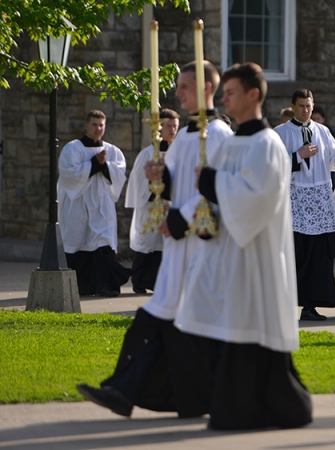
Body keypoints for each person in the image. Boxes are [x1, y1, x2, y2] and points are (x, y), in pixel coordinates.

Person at [76, 61, 233, 418]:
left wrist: (180, 216)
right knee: (160, 320)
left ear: (207, 88)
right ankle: (136, 392)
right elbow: (178, 186)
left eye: (185, 86)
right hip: (179, 248)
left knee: (175, 324)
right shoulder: (185, 138)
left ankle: (137, 392)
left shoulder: (220, 136)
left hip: (202, 249)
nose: (177, 93)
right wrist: (160, 178)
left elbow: (219, 191)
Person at [174, 62, 312, 430]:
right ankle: (245, 408)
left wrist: (212, 182)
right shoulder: (232, 142)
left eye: (231, 92)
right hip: (229, 252)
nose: (223, 98)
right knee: (229, 328)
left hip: (257, 255)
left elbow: (256, 199)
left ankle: (272, 408)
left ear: (253, 95)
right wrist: (206, 218)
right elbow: (218, 199)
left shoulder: (267, 144)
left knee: (252, 332)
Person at [275, 89, 335, 321]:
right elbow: (273, 167)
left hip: (320, 200)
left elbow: (334, 163)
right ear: (293, 106)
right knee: (296, 256)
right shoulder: (280, 133)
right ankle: (282, 307)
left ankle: (309, 307)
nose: (305, 110)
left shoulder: (323, 131)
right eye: (301, 106)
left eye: (308, 106)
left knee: (319, 257)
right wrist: (297, 156)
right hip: (295, 201)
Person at [58, 110, 130, 297]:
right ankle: (82, 287)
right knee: (79, 242)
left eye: (101, 125)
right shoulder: (72, 149)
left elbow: (119, 174)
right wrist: (94, 164)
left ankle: (106, 286)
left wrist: (104, 165)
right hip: (78, 204)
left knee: (103, 242)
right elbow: (68, 175)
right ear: (86, 126)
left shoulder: (112, 151)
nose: (98, 128)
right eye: (94, 124)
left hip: (102, 204)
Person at [125, 108, 180, 294]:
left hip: (170, 204)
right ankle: (139, 281)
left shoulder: (179, 153)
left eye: (175, 126)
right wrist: (153, 188)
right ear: (159, 127)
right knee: (147, 241)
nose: (173, 130)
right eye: (169, 126)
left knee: (165, 244)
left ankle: (161, 283)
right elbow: (138, 180)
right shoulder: (148, 153)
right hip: (149, 204)